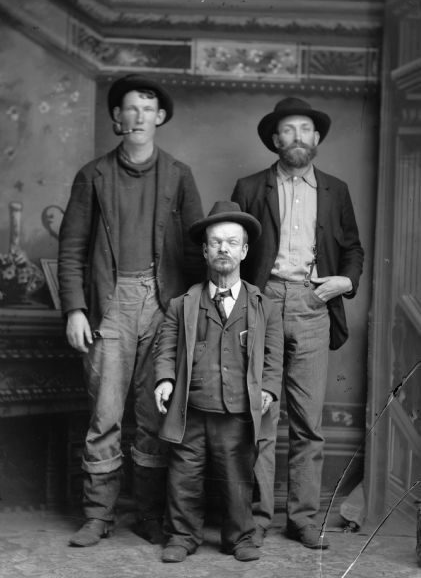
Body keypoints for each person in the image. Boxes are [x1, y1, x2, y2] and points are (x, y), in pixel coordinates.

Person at [58, 74, 204, 547]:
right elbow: (72, 248)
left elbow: (193, 249)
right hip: (110, 302)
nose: (138, 116)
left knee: (153, 414)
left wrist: (191, 315)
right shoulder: (92, 175)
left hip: (163, 305)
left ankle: (148, 514)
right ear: (116, 118)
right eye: (129, 108)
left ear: (160, 117)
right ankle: (98, 515)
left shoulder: (179, 174)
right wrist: (75, 310)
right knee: (104, 415)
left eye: (147, 108)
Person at [231, 97, 364, 549]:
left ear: (317, 138)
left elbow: (354, 249)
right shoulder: (249, 187)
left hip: (313, 304)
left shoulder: (335, 189)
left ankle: (303, 520)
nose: (297, 138)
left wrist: (343, 282)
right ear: (274, 139)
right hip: (262, 302)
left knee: (309, 423)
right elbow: (231, 245)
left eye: (305, 129)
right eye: (287, 130)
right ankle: (256, 520)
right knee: (260, 417)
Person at [153, 201, 283, 563]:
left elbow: (274, 356)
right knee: (184, 477)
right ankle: (181, 536)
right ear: (205, 251)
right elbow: (165, 347)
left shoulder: (263, 306)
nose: (223, 248)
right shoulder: (183, 304)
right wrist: (165, 380)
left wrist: (269, 390)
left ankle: (240, 537)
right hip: (191, 410)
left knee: (237, 479)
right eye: (215, 242)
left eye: (231, 242)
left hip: (237, 412)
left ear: (244, 251)